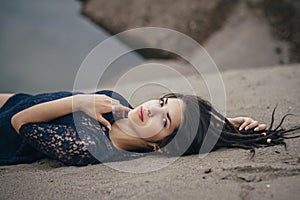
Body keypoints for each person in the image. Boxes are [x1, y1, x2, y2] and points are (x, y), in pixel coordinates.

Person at [0, 90, 299, 166]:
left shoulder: (89, 147)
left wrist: (80, 102)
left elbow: (19, 123)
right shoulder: (124, 109)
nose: (153, 108)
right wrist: (230, 126)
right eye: (162, 101)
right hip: (15, 98)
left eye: (164, 119)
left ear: (162, 145)